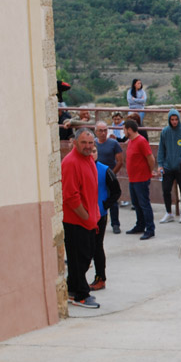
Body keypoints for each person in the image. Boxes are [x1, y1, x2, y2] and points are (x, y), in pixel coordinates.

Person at [61, 129, 102, 308]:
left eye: (90, 143)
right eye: (84, 142)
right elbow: (70, 196)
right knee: (79, 259)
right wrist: (86, 217)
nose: (87, 146)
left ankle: (72, 289)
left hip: (88, 220)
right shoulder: (70, 162)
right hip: (76, 222)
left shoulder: (88, 159)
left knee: (84, 258)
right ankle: (81, 295)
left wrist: (94, 215)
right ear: (75, 143)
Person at [90, 144, 121, 292]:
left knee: (97, 247)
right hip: (83, 214)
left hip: (99, 215)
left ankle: (100, 278)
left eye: (94, 151)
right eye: (90, 151)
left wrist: (105, 205)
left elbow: (116, 191)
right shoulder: (80, 168)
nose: (92, 153)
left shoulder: (104, 170)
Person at [156, 109, 181, 224]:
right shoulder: (165, 132)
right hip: (168, 166)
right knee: (166, 190)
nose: (174, 122)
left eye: (176, 119)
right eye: (172, 119)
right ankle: (169, 213)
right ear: (169, 120)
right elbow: (161, 149)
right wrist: (160, 164)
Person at [123, 118, 156, 240]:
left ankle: (150, 229)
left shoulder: (141, 141)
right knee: (136, 204)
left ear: (129, 129)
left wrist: (150, 171)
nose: (123, 132)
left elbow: (150, 158)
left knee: (144, 204)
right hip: (133, 179)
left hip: (141, 178)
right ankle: (140, 225)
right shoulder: (131, 141)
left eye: (124, 129)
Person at [94, 121, 124, 234]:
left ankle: (115, 224)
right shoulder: (93, 144)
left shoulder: (113, 143)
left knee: (113, 200)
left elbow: (120, 161)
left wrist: (111, 174)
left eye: (105, 130)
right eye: (100, 131)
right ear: (96, 132)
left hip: (109, 176)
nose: (103, 133)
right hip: (96, 177)